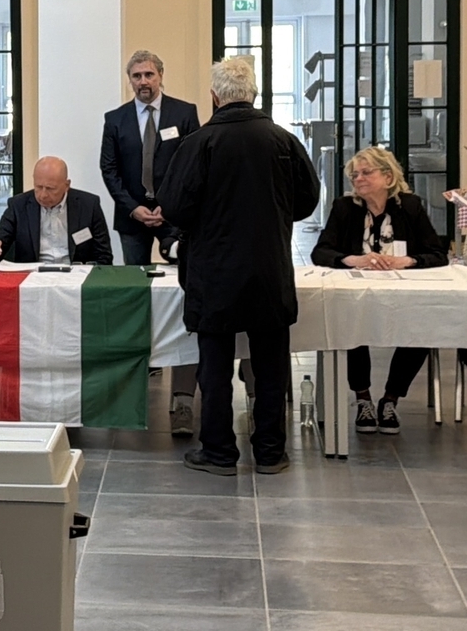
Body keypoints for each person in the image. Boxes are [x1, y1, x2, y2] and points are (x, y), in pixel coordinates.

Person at [157, 57, 319, 476]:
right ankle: (269, 451)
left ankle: (219, 452)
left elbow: (174, 206)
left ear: (214, 97)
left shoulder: (198, 144)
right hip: (269, 269)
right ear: (255, 94)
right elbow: (306, 201)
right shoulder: (283, 141)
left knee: (214, 366)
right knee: (270, 365)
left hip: (214, 272)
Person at [100, 50, 202, 436]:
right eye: (136, 76)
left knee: (181, 286)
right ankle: (145, 358)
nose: (143, 82)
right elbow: (108, 170)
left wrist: (169, 206)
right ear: (130, 80)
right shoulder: (115, 119)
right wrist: (134, 210)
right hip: (132, 218)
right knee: (135, 290)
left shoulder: (184, 112)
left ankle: (181, 358)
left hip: (175, 215)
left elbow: (194, 164)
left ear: (161, 75)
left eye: (149, 75)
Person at [311, 146, 447, 434]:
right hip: (358, 291)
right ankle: (363, 399)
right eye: (354, 175)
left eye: (365, 172)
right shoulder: (344, 207)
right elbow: (321, 252)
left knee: (420, 330)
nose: (358, 179)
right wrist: (352, 259)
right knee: (350, 326)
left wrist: (407, 260)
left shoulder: (410, 206)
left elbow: (437, 253)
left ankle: (390, 399)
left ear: (387, 177)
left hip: (403, 293)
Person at [0, 156, 113, 265]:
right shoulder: (18, 205)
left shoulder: (88, 205)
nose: (43, 195)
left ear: (66, 185)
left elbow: (104, 256)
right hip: (33, 278)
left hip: (75, 277)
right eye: (38, 187)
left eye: (50, 188)